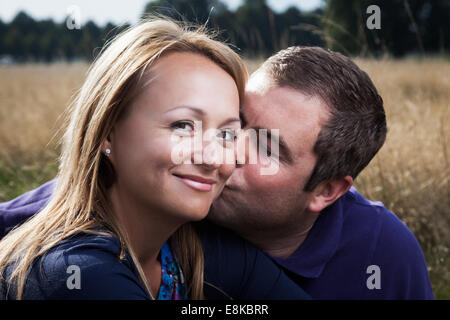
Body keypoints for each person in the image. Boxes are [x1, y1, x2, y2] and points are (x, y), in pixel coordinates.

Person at [1, 46, 434, 299]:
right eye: (236, 125)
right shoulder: (75, 248)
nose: (222, 154)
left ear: (326, 190)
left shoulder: (385, 255)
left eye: (266, 145)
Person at [0, 18, 310, 300]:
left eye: (227, 135)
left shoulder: (194, 251)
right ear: (108, 133)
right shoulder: (74, 271)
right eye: (183, 126)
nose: (212, 159)